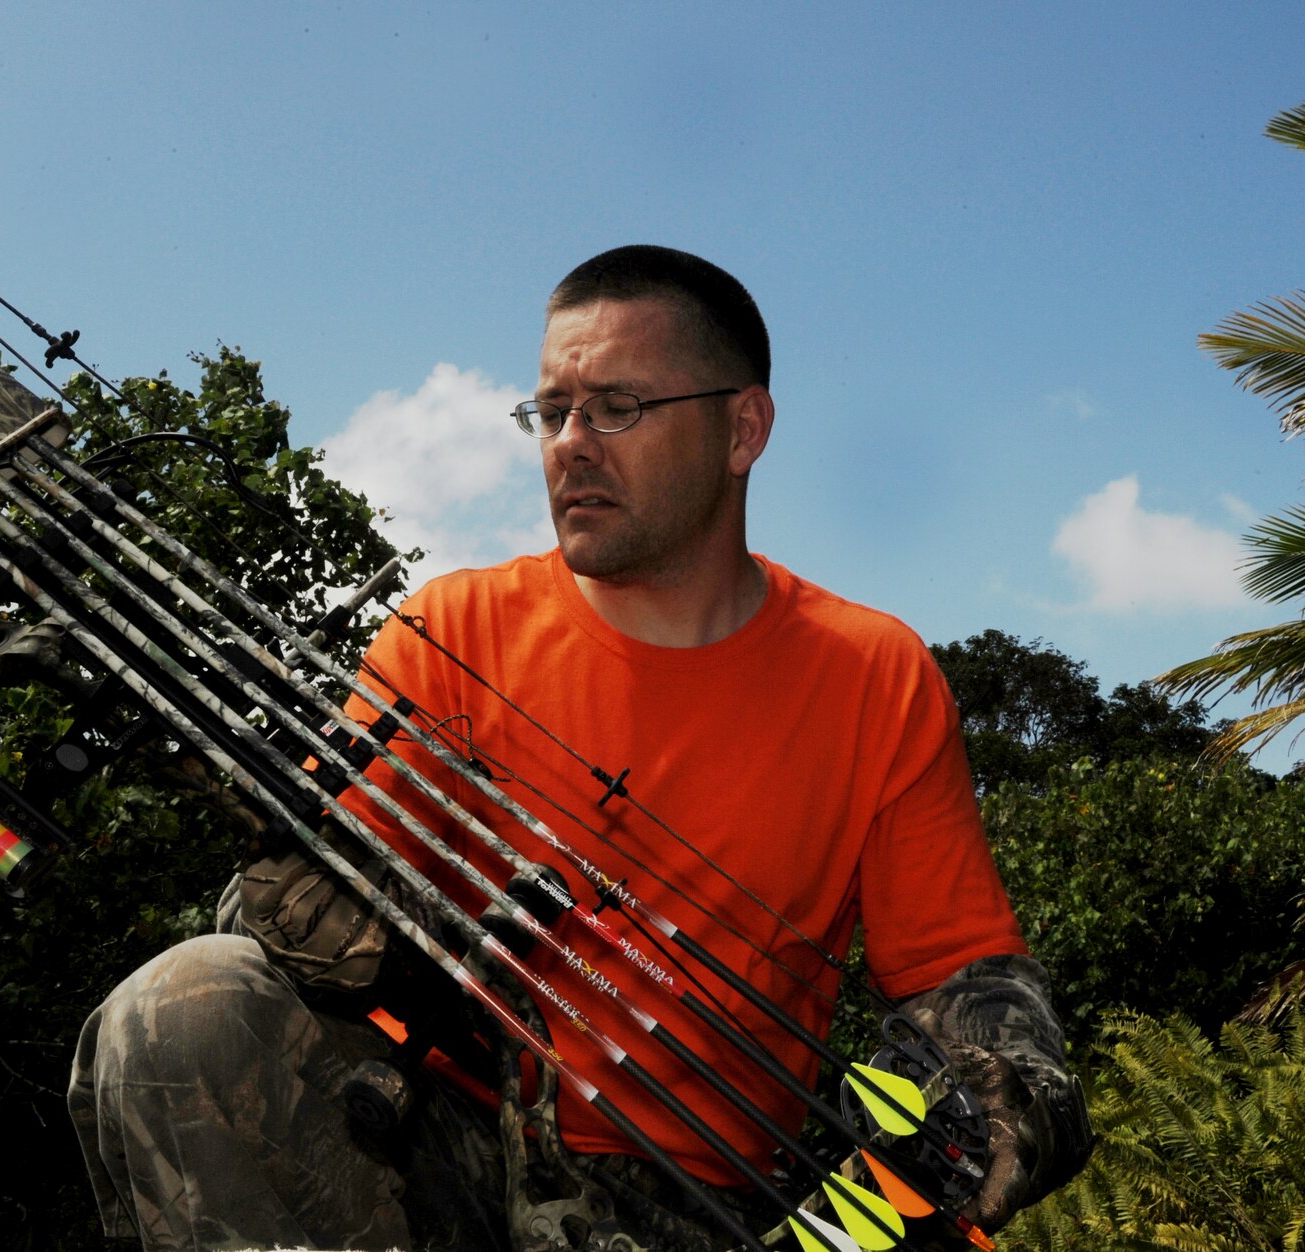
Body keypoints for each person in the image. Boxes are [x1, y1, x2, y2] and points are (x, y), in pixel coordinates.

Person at [68, 246, 1092, 1251]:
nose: (570, 443)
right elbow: (285, 916)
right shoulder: (449, 628)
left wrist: (995, 1086)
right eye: (549, 411)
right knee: (182, 1003)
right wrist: (307, 904)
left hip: (709, 1203)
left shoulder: (874, 670)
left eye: (617, 407)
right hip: (452, 1138)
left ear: (743, 428)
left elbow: (961, 980)